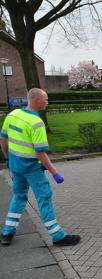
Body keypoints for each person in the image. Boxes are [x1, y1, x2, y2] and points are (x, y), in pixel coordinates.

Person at [0, 88, 80, 247]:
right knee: (44, 198)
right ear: (36, 100)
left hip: (15, 167)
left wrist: (7, 158)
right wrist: (54, 172)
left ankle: (7, 232)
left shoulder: (13, 115)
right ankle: (58, 236)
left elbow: (3, 138)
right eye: (46, 99)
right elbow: (40, 153)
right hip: (32, 169)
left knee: (19, 196)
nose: (47, 102)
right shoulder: (36, 123)